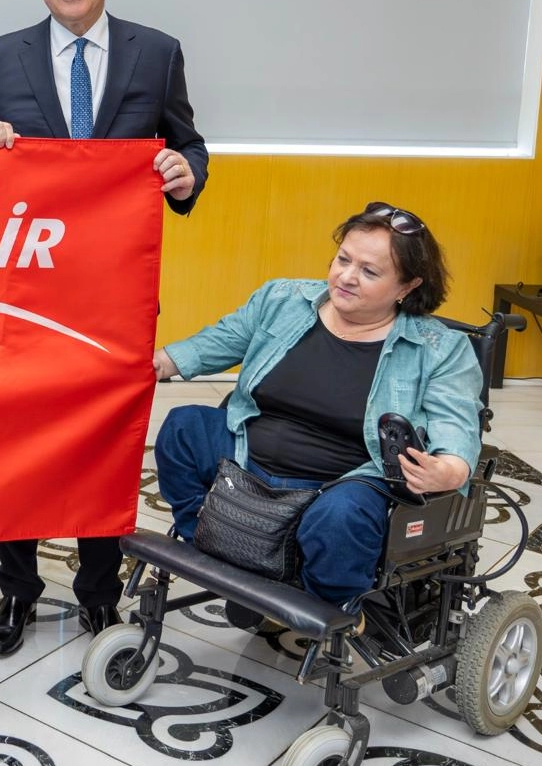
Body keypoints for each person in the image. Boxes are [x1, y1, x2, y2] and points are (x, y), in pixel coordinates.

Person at [0, 0, 209, 657]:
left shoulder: (157, 53)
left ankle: (97, 593)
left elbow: (188, 143)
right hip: (20, 299)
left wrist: (184, 172)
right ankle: (17, 591)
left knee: (103, 446)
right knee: (16, 448)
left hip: (112, 299)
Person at [153, 202, 483, 608]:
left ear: (407, 286)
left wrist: (448, 469)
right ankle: (215, 544)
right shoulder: (284, 299)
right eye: (343, 259)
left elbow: (457, 424)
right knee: (183, 427)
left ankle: (325, 606)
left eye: (369, 271)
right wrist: (160, 363)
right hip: (246, 458)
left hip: (339, 483)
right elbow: (220, 340)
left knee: (342, 517)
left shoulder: (440, 348)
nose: (346, 276)